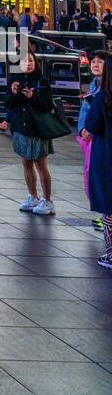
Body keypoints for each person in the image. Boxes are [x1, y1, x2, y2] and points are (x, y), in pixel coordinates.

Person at [7, 49, 55, 215]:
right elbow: (9, 104)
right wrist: (13, 93)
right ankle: (32, 196)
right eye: (24, 61)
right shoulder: (15, 80)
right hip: (21, 127)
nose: (28, 63)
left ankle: (47, 200)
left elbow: (48, 105)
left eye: (31, 61)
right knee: (26, 163)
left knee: (41, 165)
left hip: (38, 129)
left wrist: (32, 96)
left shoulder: (42, 81)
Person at [83, 56, 112, 270]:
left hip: (106, 157)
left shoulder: (103, 96)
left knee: (109, 208)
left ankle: (111, 254)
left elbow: (92, 124)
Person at [78, 50, 105, 223]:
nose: (95, 64)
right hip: (90, 140)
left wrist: (91, 129)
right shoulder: (93, 84)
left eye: (100, 62)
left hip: (101, 140)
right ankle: (105, 214)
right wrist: (82, 129)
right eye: (93, 61)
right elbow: (84, 110)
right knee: (92, 176)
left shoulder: (106, 88)